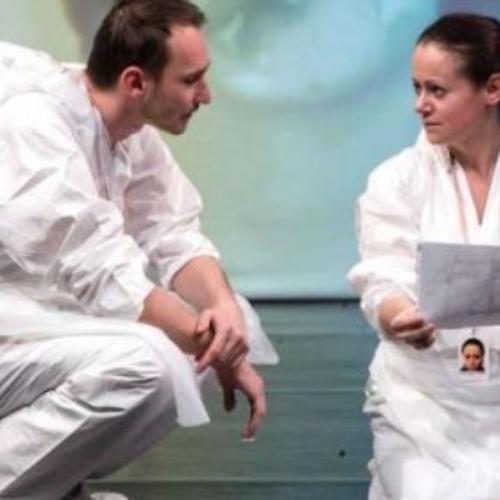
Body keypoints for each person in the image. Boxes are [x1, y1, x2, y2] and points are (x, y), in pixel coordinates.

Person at [0, 1, 277, 499]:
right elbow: (98, 268)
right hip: (10, 331)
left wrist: (222, 310)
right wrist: (213, 348)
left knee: (235, 326)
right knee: (147, 364)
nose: (206, 95)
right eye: (191, 80)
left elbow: (172, 231)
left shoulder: (125, 130)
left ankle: (52, 485)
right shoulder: (34, 121)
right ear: (135, 82)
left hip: (32, 324)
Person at [348, 13, 500, 500]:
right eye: (416, 88)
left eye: (437, 90)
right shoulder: (397, 179)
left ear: (492, 89)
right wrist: (397, 316)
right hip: (424, 402)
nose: (420, 105)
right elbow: (381, 273)